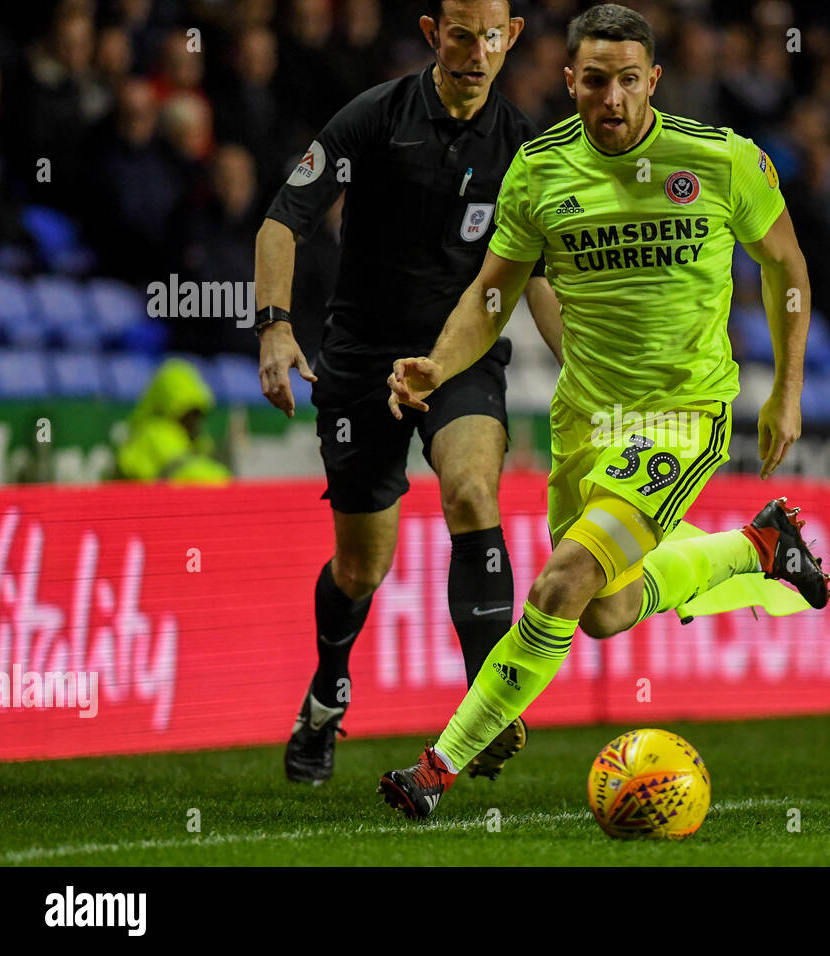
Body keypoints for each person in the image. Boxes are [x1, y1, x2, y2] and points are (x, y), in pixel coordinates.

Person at [378, 3, 830, 821]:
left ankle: (438, 767)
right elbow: (493, 292)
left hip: (683, 416)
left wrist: (787, 389)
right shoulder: (539, 169)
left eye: (628, 81)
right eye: (594, 81)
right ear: (568, 81)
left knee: (560, 585)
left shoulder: (721, 160)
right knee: (604, 612)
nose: (611, 99)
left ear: (653, 80)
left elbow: (787, 265)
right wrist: (438, 363)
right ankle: (758, 547)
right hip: (586, 422)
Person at [254, 0, 563, 787]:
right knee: (361, 567)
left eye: (491, 35)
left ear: (513, 38)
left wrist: (585, 371)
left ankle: (484, 710)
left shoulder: (526, 147)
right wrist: (276, 327)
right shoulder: (374, 119)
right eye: (459, 34)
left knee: (469, 493)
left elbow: (544, 279)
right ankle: (326, 697)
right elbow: (282, 221)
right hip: (358, 365)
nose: (475, 50)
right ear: (432, 35)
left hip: (458, 359)